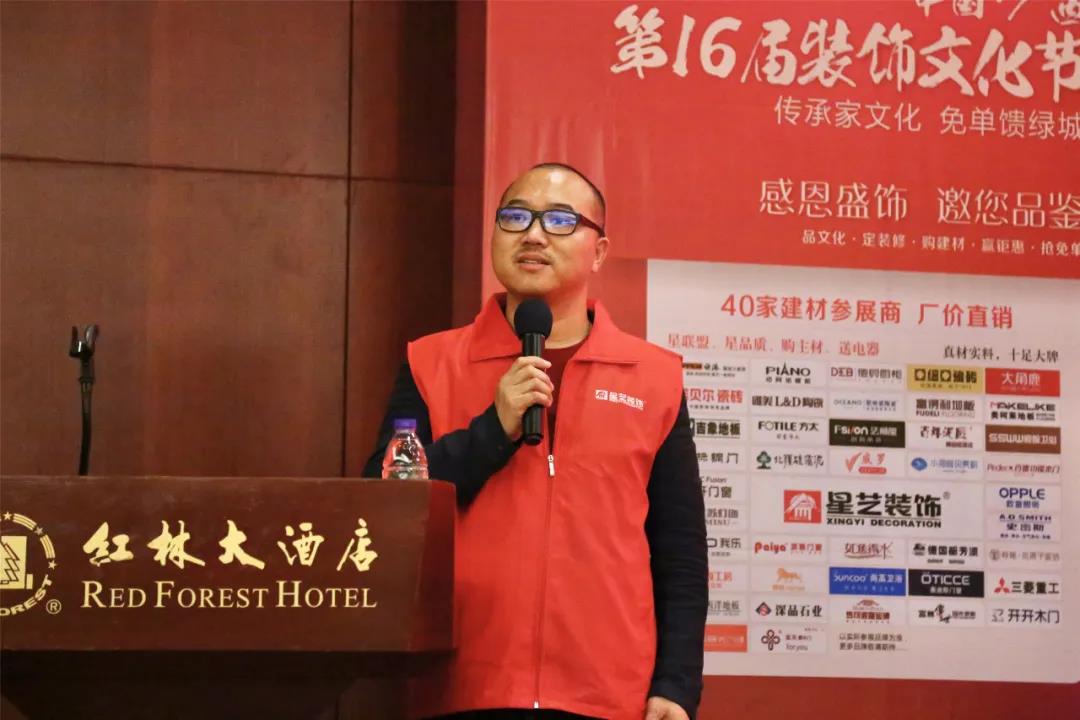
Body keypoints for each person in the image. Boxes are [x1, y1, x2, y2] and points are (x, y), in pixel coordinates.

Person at [363, 163, 707, 720]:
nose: (534, 234)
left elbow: (680, 548)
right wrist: (491, 431)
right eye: (516, 217)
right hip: (463, 683)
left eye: (561, 220)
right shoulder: (432, 361)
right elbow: (383, 507)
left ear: (599, 252)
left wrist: (676, 683)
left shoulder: (653, 376)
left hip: (607, 691)